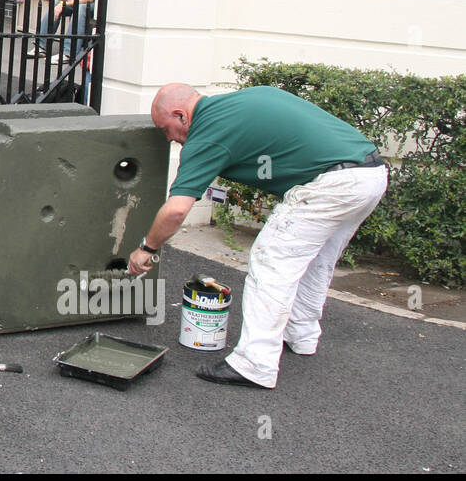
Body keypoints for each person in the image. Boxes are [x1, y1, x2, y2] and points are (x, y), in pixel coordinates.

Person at [128, 84, 389, 390]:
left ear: (181, 115)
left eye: (166, 129)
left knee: (271, 262)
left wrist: (147, 248)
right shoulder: (240, 102)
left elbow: (176, 210)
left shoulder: (208, 133)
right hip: (370, 174)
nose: (168, 138)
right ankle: (301, 334)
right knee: (317, 261)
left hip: (332, 185)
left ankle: (254, 364)